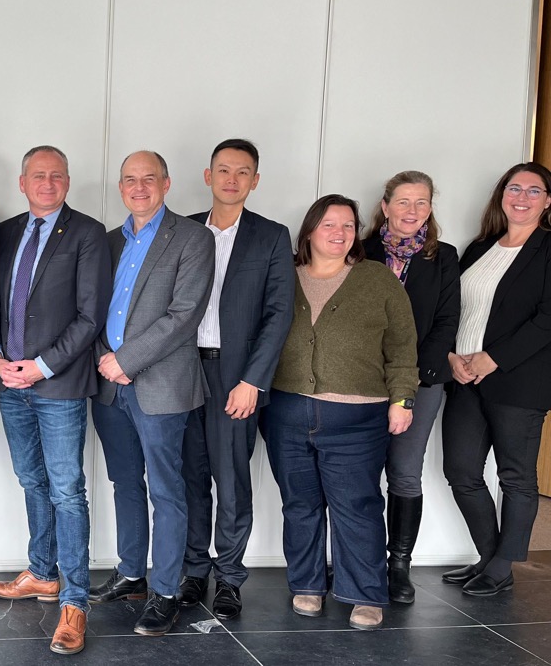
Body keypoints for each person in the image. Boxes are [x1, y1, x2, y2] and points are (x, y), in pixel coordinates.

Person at [262, 194, 417, 630]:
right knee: (300, 504)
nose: (340, 233)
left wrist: (402, 399)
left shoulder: (376, 279)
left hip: (357, 419)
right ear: (310, 230)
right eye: (329, 224)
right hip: (286, 412)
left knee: (357, 506)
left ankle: (364, 593)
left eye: (348, 225)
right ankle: (307, 584)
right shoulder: (284, 276)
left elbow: (403, 345)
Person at [0, 145, 109, 656]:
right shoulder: (6, 232)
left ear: (68, 181)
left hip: (58, 385)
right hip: (11, 384)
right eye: (39, 175)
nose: (48, 183)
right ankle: (42, 572)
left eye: (57, 175)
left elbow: (90, 316)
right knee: (31, 479)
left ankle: (75, 603)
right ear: (23, 182)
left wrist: (42, 366)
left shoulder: (87, 233)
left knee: (66, 490)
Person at [89, 151, 216, 636]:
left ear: (166, 183)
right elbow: (90, 309)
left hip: (162, 385)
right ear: (120, 186)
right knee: (125, 482)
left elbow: (184, 314)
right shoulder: (108, 241)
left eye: (148, 178)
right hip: (108, 384)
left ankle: (165, 591)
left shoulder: (193, 237)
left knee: (167, 490)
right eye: (129, 179)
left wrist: (126, 360)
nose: (138, 187)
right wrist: (106, 358)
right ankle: (131, 574)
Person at [173, 140, 293, 620]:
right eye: (223, 170)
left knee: (232, 479)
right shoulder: (181, 230)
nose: (232, 179)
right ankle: (193, 570)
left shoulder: (271, 236)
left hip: (236, 375)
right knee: (189, 476)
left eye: (243, 172)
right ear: (208, 176)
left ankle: (229, 577)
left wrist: (253, 380)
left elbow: (279, 314)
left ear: (255, 181)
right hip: (181, 370)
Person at [442, 162, 551, 597]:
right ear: (502, 195)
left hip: (519, 381)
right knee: (461, 470)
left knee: (515, 477)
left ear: (548, 201)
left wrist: (494, 358)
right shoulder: (479, 247)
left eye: (533, 190)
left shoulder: (548, 248)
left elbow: (548, 319)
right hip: (464, 378)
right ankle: (490, 558)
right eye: (514, 188)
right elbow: (453, 309)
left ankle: (504, 565)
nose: (522, 197)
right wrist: (451, 356)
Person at [362, 171, 460, 604]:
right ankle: (359, 561)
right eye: (403, 201)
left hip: (421, 382)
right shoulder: (360, 251)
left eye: (421, 202)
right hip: (362, 383)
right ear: (385, 206)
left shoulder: (444, 257)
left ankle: (398, 566)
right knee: (358, 474)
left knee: (404, 472)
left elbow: (447, 322)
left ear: (430, 209)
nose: (412, 210)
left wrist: (410, 378)